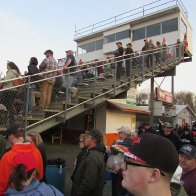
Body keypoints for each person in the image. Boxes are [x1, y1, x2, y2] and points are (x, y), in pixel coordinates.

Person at [0, 124, 43, 195]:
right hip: (34, 192)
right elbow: (40, 175)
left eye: (8, 137)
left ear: (12, 137)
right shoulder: (36, 151)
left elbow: (1, 184)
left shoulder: (8, 157)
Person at [71, 129, 105, 196]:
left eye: (87, 136)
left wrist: (79, 193)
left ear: (94, 140)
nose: (85, 138)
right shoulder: (91, 152)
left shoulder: (93, 157)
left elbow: (89, 182)